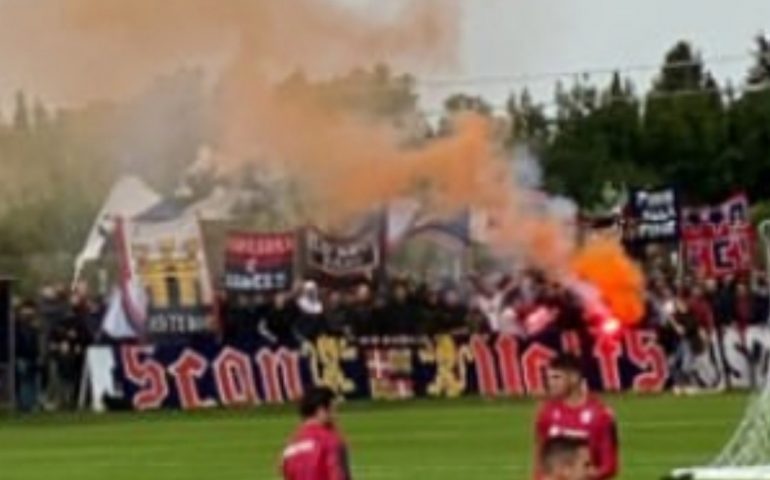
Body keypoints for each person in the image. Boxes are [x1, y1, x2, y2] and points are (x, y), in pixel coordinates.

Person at [534, 354, 619, 480]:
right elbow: (541, 458)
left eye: (557, 377)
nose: (551, 383)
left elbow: (609, 466)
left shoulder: (601, 415)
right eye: (549, 378)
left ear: (574, 378)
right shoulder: (547, 412)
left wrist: (582, 476)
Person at [281, 387, 352, 480]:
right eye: (333, 409)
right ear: (321, 410)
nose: (337, 415)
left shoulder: (290, 445)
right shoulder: (331, 440)